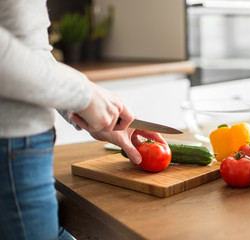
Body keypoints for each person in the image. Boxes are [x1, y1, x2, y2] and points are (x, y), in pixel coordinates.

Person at [0, 0, 166, 239]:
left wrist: (80, 110)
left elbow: (32, 51)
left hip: (25, 147)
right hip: (11, 148)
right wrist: (84, 95)